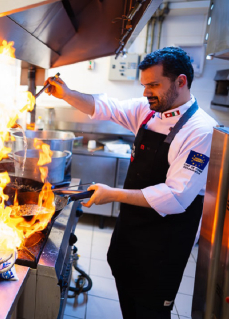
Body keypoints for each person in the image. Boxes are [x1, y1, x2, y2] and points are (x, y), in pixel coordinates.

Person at [45, 47, 217, 319]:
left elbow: (176, 197)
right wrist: (66, 93)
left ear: (181, 82)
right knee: (127, 294)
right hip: (132, 232)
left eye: (154, 84)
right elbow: (106, 107)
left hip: (164, 242)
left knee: (149, 310)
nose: (147, 92)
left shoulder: (200, 130)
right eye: (144, 85)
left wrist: (113, 194)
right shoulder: (149, 111)